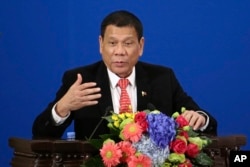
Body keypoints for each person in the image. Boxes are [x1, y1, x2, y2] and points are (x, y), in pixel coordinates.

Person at [32, 10, 217, 140]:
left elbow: (207, 122)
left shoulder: (162, 78)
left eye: (128, 43)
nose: (119, 51)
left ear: (141, 46)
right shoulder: (81, 80)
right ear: (101, 44)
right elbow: (40, 134)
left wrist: (200, 119)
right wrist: (62, 108)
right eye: (112, 43)